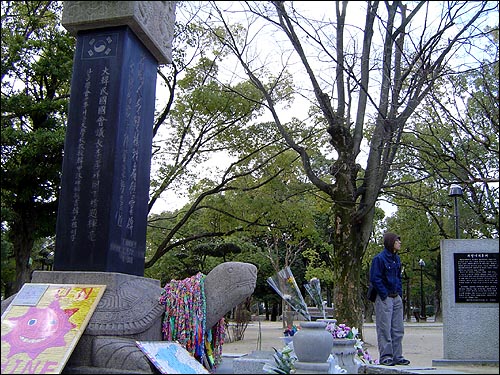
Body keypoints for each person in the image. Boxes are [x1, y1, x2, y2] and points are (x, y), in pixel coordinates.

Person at [369, 232, 411, 366]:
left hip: (396, 297)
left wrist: (399, 293)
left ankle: (397, 356)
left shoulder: (397, 259)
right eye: (397, 241)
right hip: (384, 298)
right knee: (384, 328)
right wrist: (384, 294)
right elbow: (375, 278)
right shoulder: (379, 259)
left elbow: (398, 277)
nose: (400, 243)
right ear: (390, 242)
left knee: (398, 329)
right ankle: (386, 356)